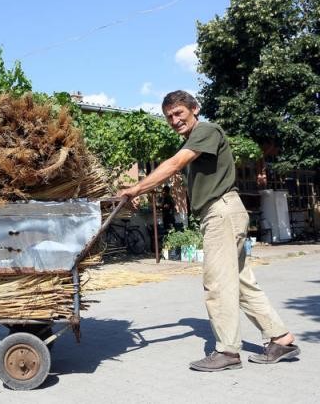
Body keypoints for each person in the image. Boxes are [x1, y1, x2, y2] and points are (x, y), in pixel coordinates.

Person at [118, 90, 300, 372]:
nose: (175, 120)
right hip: (222, 212)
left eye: (179, 113)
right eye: (169, 117)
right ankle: (281, 339)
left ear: (194, 109)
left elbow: (175, 163)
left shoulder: (206, 130)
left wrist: (137, 188)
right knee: (241, 282)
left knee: (217, 284)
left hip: (221, 212)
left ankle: (227, 351)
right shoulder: (196, 137)